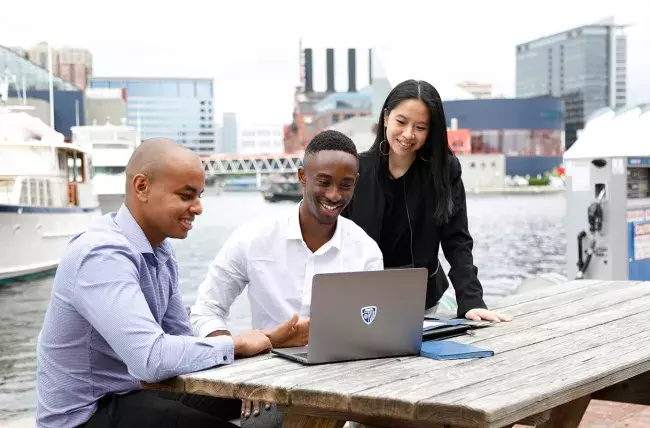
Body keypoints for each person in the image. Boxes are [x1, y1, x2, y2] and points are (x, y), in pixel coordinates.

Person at [35, 138, 302, 428]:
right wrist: (237, 343)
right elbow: (149, 359)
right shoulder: (101, 255)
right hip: (87, 415)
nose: (198, 208)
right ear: (142, 187)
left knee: (275, 401)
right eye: (186, 196)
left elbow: (182, 340)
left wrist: (267, 343)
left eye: (199, 195)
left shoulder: (160, 250)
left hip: (138, 393)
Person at [189, 130, 384, 424]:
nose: (334, 195)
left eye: (345, 185)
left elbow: (374, 331)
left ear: (355, 183)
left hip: (342, 378)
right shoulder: (253, 238)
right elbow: (206, 310)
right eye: (324, 182)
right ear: (303, 177)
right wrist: (241, 369)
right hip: (267, 377)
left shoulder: (366, 251)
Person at [342, 79, 512, 323]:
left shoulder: (444, 171)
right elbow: (336, 238)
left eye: (420, 127)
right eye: (401, 122)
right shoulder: (357, 169)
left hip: (421, 300)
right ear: (386, 117)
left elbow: (457, 241)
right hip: (363, 299)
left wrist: (471, 300)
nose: (408, 134)